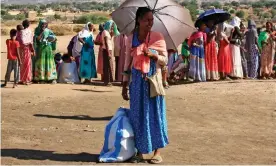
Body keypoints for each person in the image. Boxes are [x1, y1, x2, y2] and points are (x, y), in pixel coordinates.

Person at [122, 7, 168, 164]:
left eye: (152, 20)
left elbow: (165, 60)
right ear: (139, 20)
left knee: (155, 114)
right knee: (137, 116)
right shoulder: (131, 38)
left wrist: (155, 56)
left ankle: (157, 151)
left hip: (153, 81)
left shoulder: (157, 37)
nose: (150, 23)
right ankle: (140, 151)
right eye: (147, 20)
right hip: (136, 83)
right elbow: (128, 62)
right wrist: (124, 84)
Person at [33, 19, 57, 83]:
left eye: (45, 24)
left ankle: (50, 78)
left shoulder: (49, 31)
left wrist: (53, 39)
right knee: (41, 63)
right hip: (41, 49)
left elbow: (54, 38)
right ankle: (41, 78)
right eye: (42, 24)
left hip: (48, 48)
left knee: (49, 62)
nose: (44, 25)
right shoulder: (37, 30)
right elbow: (37, 39)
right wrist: (42, 32)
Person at [102, 20, 119, 86]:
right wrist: (108, 52)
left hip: (109, 50)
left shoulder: (109, 32)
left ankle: (109, 80)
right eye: (111, 26)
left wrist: (111, 35)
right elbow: (106, 42)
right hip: (107, 50)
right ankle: (107, 81)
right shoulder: (105, 32)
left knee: (110, 65)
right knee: (107, 66)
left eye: (113, 26)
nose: (112, 28)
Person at [17, 20, 35, 85]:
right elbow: (31, 42)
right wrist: (33, 50)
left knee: (22, 65)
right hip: (27, 49)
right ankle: (26, 80)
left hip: (20, 50)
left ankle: (22, 79)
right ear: (28, 25)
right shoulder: (29, 31)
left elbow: (18, 41)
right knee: (27, 65)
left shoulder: (19, 32)